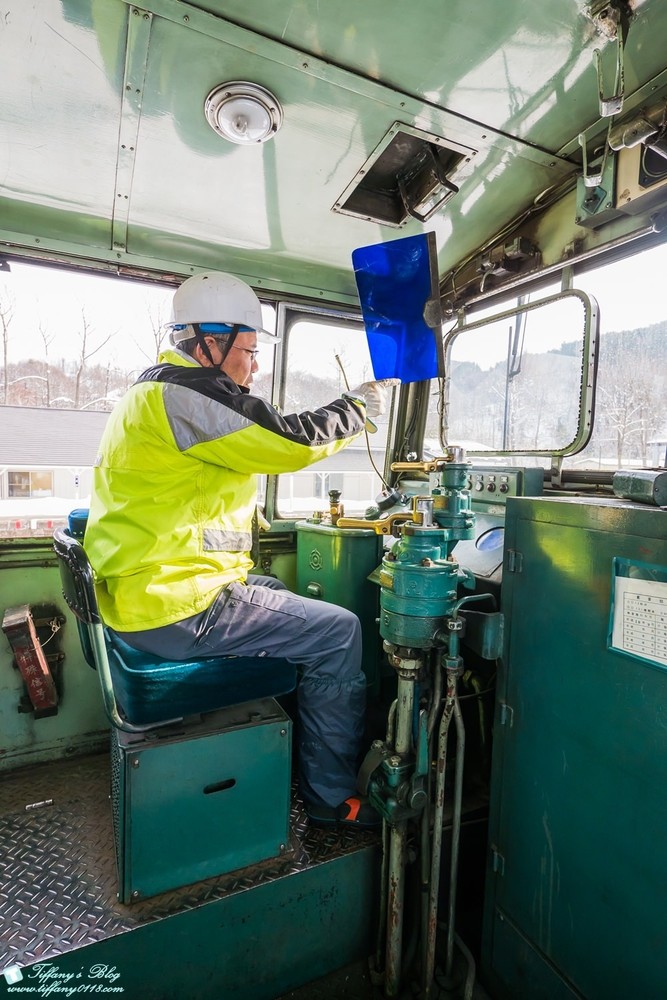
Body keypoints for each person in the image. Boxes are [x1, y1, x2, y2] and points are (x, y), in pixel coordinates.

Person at [85, 271, 396, 829]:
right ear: (208, 342)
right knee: (339, 631)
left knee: (275, 590)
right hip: (178, 606)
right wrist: (359, 408)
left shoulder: (151, 393)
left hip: (149, 595)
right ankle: (331, 800)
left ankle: (301, 750)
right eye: (248, 351)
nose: (254, 368)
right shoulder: (183, 395)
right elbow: (288, 440)